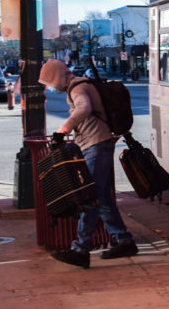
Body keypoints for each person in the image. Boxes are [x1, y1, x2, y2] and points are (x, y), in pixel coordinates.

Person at [38, 58, 137, 268]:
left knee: (89, 199)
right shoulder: (80, 84)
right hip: (97, 144)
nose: (51, 87)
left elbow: (83, 108)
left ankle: (80, 249)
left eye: (50, 82)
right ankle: (123, 240)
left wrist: (62, 130)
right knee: (102, 198)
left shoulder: (77, 87)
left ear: (56, 77)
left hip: (96, 146)